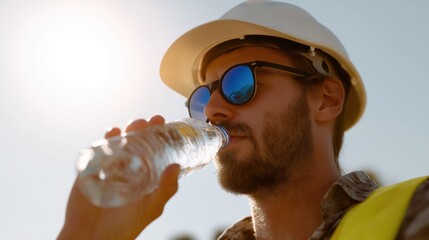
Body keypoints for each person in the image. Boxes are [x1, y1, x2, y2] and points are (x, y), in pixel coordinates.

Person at [58, 1, 429, 239]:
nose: (213, 109)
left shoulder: (416, 213)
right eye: (203, 96)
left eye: (240, 82)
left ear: (326, 99)